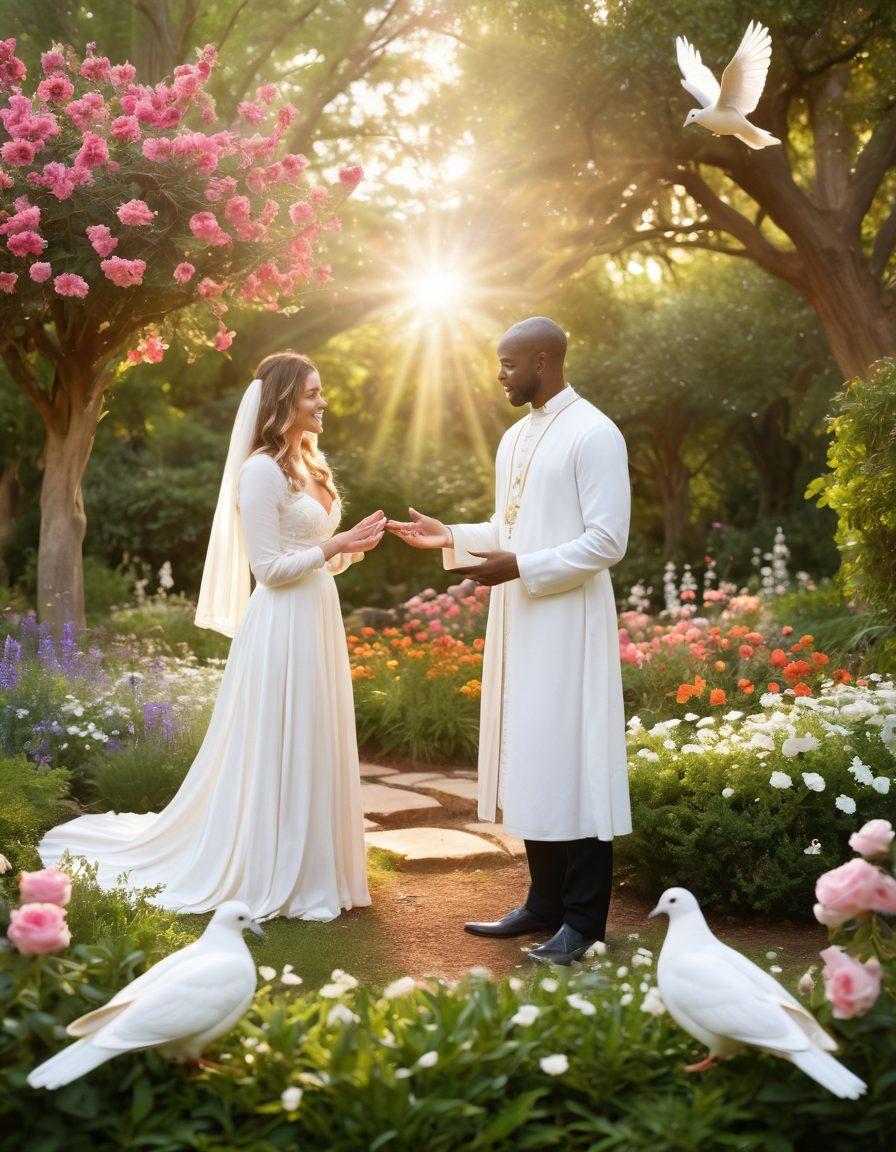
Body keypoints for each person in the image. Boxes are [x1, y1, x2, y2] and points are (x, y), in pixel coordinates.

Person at [38, 352, 385, 922]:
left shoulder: (309, 466)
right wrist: (335, 544)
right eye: (312, 394)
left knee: (314, 733)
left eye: (320, 393)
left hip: (318, 618)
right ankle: (270, 863)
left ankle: (318, 865)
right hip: (279, 626)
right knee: (280, 739)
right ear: (282, 402)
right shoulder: (260, 472)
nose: (322, 403)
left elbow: (318, 562)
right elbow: (269, 569)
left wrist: (350, 550)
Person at [387, 317, 631, 964]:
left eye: (508, 363)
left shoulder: (594, 433)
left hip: (569, 622)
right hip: (524, 621)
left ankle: (583, 921)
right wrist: (455, 537)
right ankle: (543, 905)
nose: (499, 375)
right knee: (534, 756)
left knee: (572, 760)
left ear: (544, 360)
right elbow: (511, 525)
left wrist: (521, 567)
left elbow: (608, 541)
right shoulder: (517, 437)